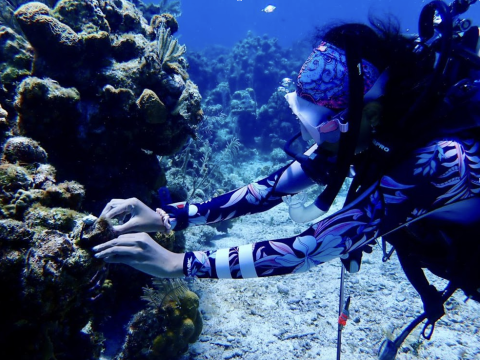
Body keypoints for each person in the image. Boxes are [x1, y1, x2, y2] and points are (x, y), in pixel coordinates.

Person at [94, 0, 480, 329]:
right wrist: (168, 218)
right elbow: (269, 191)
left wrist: (179, 262)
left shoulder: (444, 160)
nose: (313, 138)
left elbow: (306, 249)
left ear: (373, 114)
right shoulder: (368, 128)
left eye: (319, 124)